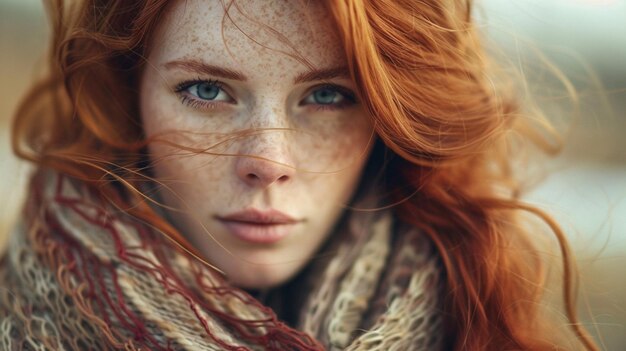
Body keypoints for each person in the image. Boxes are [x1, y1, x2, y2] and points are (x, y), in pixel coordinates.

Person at [0, 0, 599, 350]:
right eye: (207, 90)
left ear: (392, 115)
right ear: (128, 94)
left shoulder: (475, 323)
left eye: (329, 96)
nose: (269, 162)